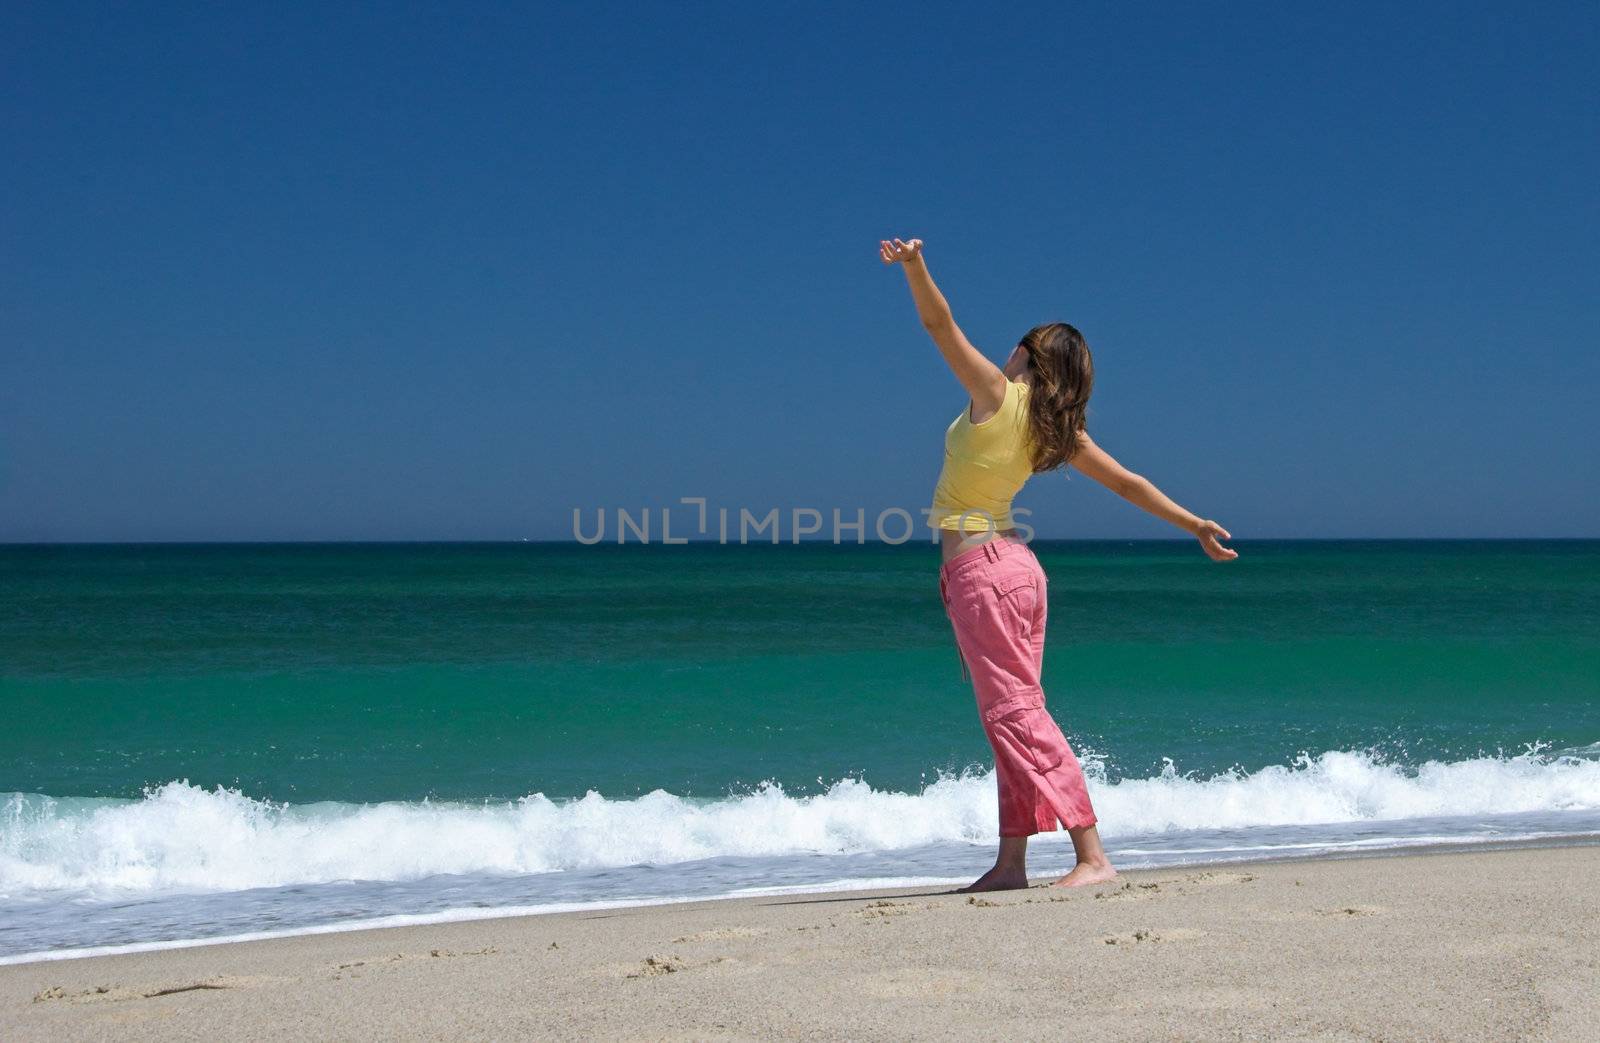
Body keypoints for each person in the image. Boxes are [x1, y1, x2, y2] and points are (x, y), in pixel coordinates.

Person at [880, 236, 1239, 892]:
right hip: (1014, 570)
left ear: (1025, 355)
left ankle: (1092, 853)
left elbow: (939, 323)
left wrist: (914, 265)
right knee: (1010, 714)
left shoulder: (996, 393)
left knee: (1014, 713)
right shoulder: (1054, 431)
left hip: (983, 572)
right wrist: (1193, 525)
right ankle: (1012, 861)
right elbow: (1128, 482)